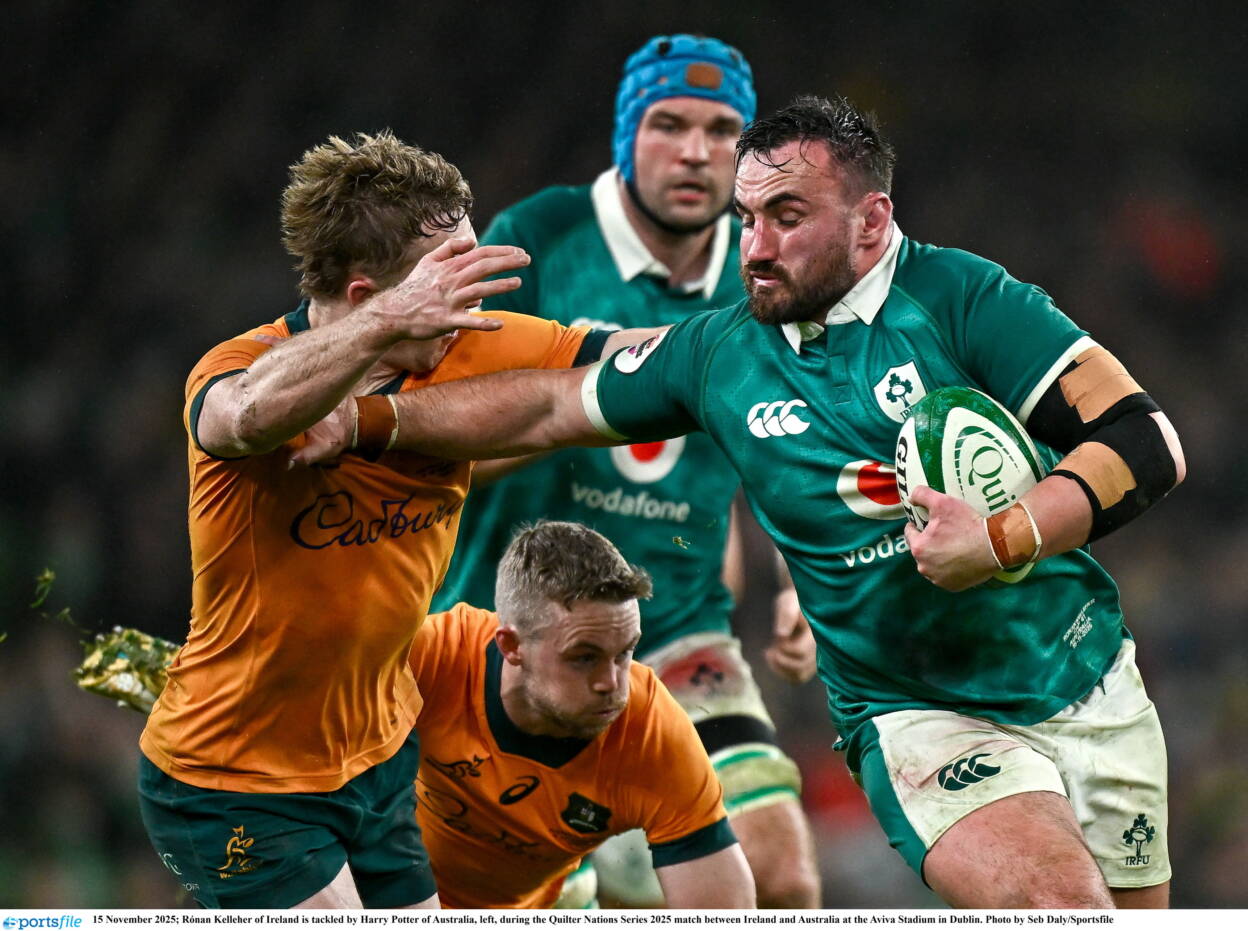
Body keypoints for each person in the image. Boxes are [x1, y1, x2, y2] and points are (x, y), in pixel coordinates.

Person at [293, 95, 1186, 910]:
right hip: (917, 709)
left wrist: (1003, 537)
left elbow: (1146, 440)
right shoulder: (722, 352)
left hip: (1088, 675)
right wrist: (370, 420)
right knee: (1061, 908)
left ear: (872, 220)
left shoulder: (966, 300)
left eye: (786, 218)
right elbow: (547, 404)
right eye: (747, 218)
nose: (754, 249)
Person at [137, 130, 647, 910]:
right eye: (449, 278)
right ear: (367, 293)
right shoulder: (242, 364)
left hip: (376, 761)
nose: (475, 301)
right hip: (232, 777)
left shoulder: (460, 346)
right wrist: (389, 322)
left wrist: (773, 327)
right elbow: (238, 418)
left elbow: (633, 358)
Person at [429, 34, 821, 908]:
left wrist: (802, 581)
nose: (696, 152)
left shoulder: (770, 268)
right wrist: (581, 407)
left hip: (676, 622)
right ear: (625, 135)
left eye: (722, 131)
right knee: (533, 895)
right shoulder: (540, 239)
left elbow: (793, 436)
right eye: (668, 124)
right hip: (511, 626)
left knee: (781, 875)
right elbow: (451, 437)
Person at [82, 522, 757, 909]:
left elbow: (722, 906)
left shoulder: (653, 734)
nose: (614, 683)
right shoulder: (428, 658)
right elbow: (295, 730)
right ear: (511, 647)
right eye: (585, 657)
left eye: (626, 652)